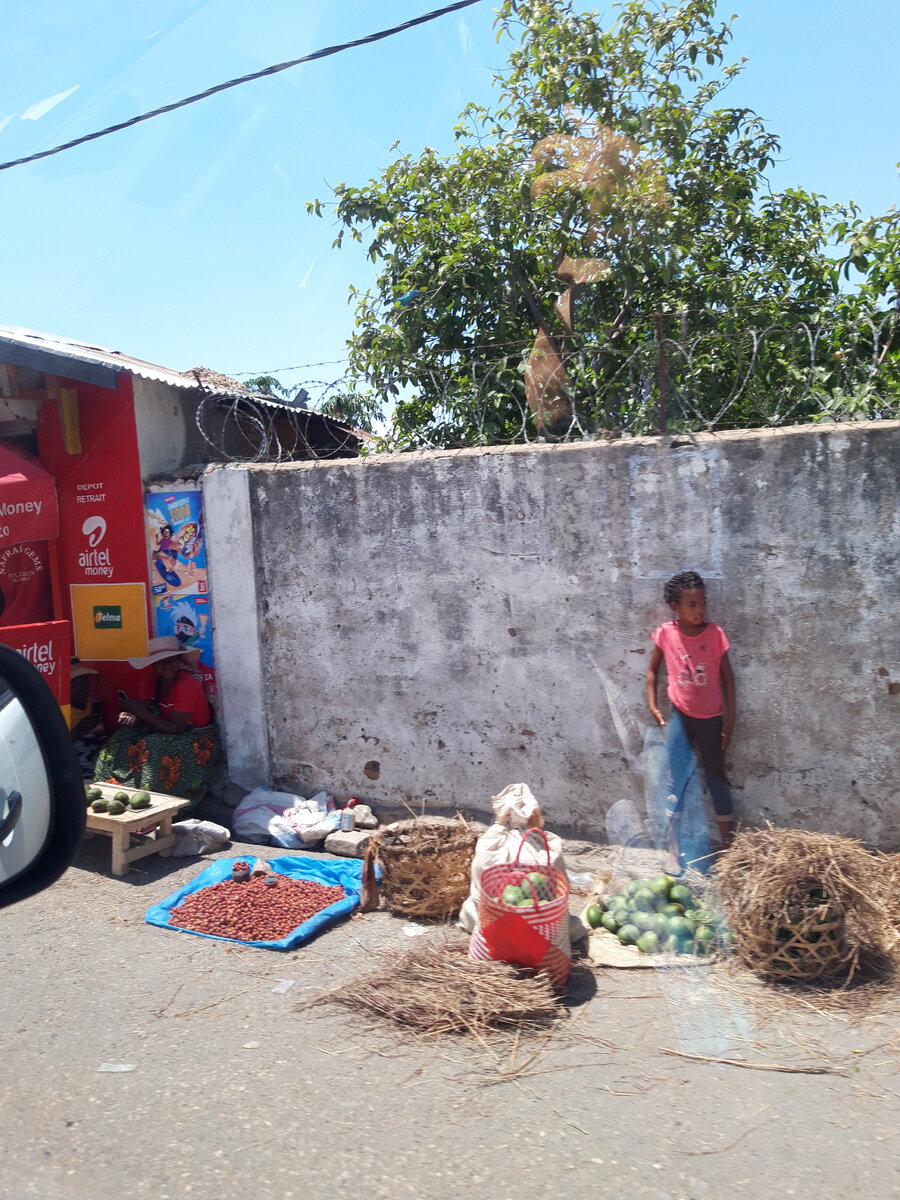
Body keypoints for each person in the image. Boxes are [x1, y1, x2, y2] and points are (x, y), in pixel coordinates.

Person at [646, 570, 735, 875]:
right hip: (680, 719)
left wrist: (730, 718)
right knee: (677, 782)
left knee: (717, 780)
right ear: (675, 607)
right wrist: (652, 704)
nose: (700, 610)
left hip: (711, 720)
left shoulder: (714, 635)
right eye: (692, 605)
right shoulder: (666, 634)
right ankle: (673, 848)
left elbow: (727, 679)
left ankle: (728, 850)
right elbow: (652, 671)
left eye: (703, 603)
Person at [93, 636, 218, 811]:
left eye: (171, 661)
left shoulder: (186, 686)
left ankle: (158, 804)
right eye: (161, 662)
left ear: (178, 662)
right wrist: (131, 716)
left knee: (153, 745)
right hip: (162, 727)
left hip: (198, 739)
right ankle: (114, 787)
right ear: (153, 666)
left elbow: (176, 728)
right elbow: (144, 714)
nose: (167, 665)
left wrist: (140, 711)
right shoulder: (149, 681)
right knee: (120, 737)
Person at [68, 658, 105, 777]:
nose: (80, 689)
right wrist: (80, 728)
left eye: (83, 683)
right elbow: (58, 746)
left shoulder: (93, 704)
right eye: (74, 686)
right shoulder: (61, 711)